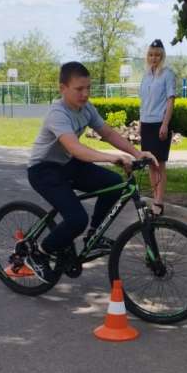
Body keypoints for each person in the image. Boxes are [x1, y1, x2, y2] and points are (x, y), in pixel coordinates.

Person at [24, 61, 155, 284]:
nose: (85, 94)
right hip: (44, 170)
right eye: (79, 89)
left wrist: (136, 153)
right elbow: (75, 148)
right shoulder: (58, 113)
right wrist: (112, 157)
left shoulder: (86, 109)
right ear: (62, 88)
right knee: (76, 219)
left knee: (113, 184)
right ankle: (38, 253)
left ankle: (94, 234)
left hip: (67, 165)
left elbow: (108, 133)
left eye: (88, 88)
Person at [139, 39, 176, 216]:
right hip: (146, 124)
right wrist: (140, 123)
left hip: (159, 125)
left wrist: (165, 124)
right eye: (151, 55)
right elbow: (144, 102)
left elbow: (170, 100)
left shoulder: (167, 74)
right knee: (149, 164)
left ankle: (159, 202)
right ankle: (154, 198)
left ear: (162, 56)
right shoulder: (146, 75)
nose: (154, 58)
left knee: (159, 165)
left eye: (157, 55)